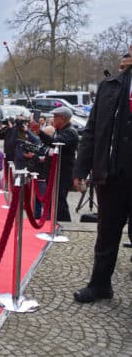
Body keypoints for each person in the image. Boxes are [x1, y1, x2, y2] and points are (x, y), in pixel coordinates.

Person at [72, 48, 132, 303]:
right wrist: (81, 169)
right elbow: (92, 130)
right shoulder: (110, 86)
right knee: (106, 234)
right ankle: (100, 286)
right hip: (112, 175)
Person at [33, 106, 78, 222]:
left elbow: (55, 143)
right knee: (54, 202)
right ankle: (56, 223)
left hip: (61, 174)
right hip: (53, 173)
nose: (53, 119)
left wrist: (40, 132)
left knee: (59, 202)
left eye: (55, 117)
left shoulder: (70, 133)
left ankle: (65, 226)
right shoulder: (59, 131)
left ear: (62, 119)